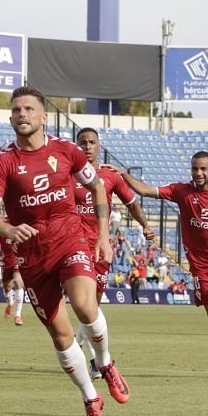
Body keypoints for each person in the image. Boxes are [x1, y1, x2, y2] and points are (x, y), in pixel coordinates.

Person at [0, 85, 130, 416]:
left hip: (69, 242)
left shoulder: (66, 151)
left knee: (85, 306)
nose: (22, 115)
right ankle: (91, 397)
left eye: (29, 109)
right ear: (10, 117)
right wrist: (7, 229)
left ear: (43, 116)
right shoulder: (4, 163)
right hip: (32, 258)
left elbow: (97, 186)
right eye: (16, 110)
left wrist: (103, 235)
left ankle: (105, 362)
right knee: (61, 337)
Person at [114, 151, 208, 379]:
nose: (199, 173)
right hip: (200, 267)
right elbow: (145, 190)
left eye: (203, 169)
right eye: (195, 169)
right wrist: (123, 175)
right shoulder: (181, 191)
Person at [73, 127, 155, 378]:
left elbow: (132, 203)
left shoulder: (110, 176)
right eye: (83, 142)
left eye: (92, 142)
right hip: (73, 245)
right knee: (82, 302)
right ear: (77, 146)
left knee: (92, 305)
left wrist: (145, 225)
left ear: (98, 146)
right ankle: (95, 360)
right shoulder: (66, 174)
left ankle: (77, 343)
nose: (87, 146)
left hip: (100, 246)